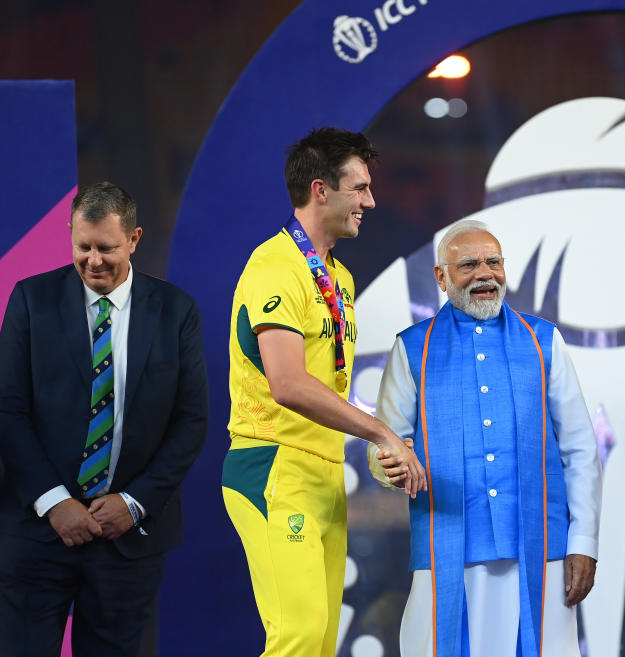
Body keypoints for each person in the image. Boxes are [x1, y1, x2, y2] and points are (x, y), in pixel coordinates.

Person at [222, 127, 426, 657]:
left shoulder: (339, 279)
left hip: (324, 472)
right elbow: (288, 384)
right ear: (320, 190)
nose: (370, 201)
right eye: (358, 188)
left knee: (318, 645)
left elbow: (325, 382)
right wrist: (379, 430)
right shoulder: (275, 267)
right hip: (272, 464)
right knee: (300, 637)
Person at [369, 219, 602, 657]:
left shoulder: (544, 341)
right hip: (447, 544)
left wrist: (584, 543)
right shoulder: (411, 348)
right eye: (469, 265)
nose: (485, 274)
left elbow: (580, 449)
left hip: (541, 547)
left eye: (493, 262)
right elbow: (383, 443)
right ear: (441, 277)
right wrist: (388, 466)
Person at [0, 181, 209, 656]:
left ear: (134, 239)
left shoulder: (177, 312)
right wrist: (55, 503)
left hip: (127, 541)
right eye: (83, 246)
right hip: (36, 533)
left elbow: (191, 419)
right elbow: (7, 408)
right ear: (70, 234)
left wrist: (133, 502)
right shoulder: (31, 299)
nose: (93, 260)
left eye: (107, 248)